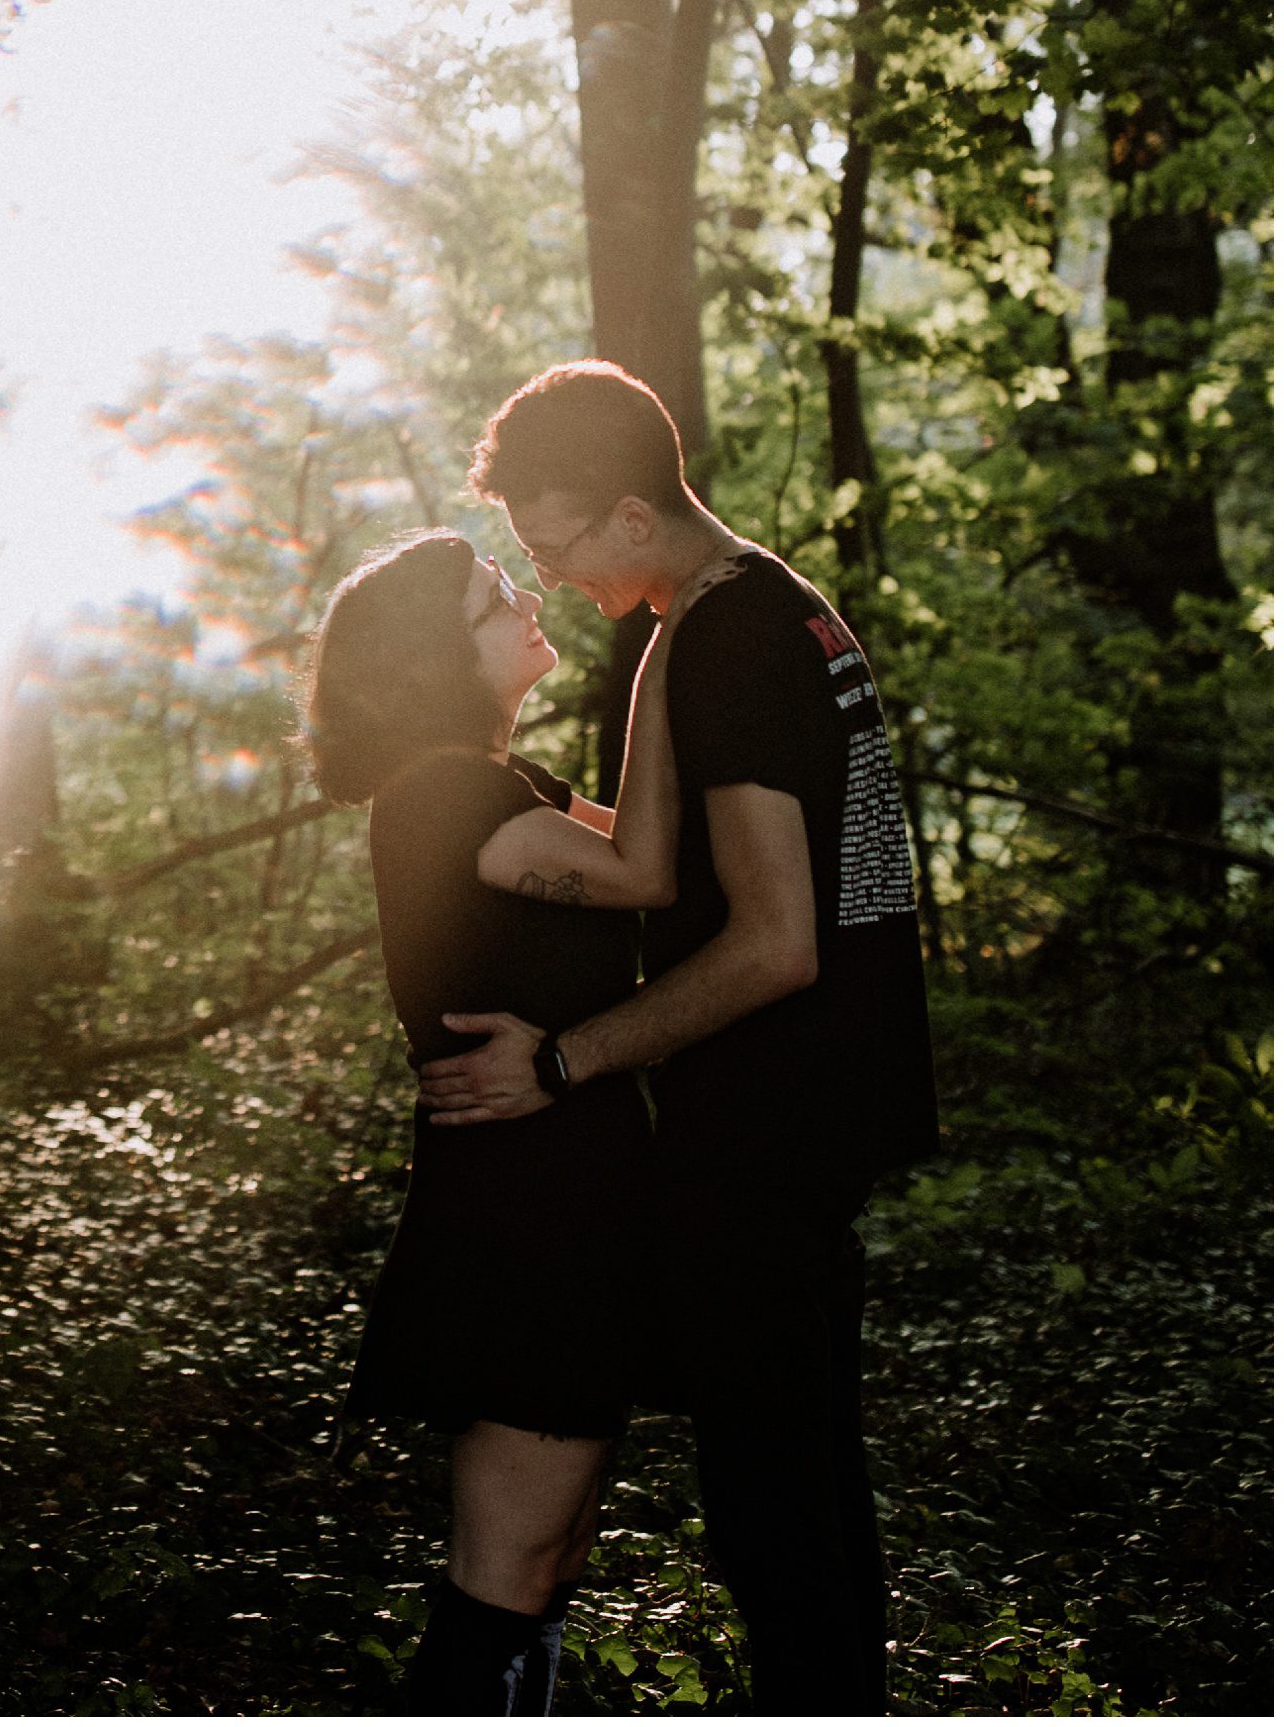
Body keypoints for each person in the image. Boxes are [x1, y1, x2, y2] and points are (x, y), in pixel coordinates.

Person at [419, 362, 940, 1719]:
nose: (553, 577)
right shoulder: (771, 604)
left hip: (764, 1135)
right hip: (816, 1119)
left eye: (557, 546)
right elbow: (671, 862)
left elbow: (774, 942)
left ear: (634, 517)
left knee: (777, 1524)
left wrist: (561, 1060)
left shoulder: (726, 644)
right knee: (810, 1497)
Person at [303, 525, 736, 1717]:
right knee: (506, 1565)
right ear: (435, 654)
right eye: (494, 597)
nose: (527, 599)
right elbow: (645, 870)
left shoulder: (504, 783)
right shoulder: (442, 793)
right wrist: (669, 638)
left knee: (546, 1557)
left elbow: (661, 840)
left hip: (568, 1192)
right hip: (519, 1214)